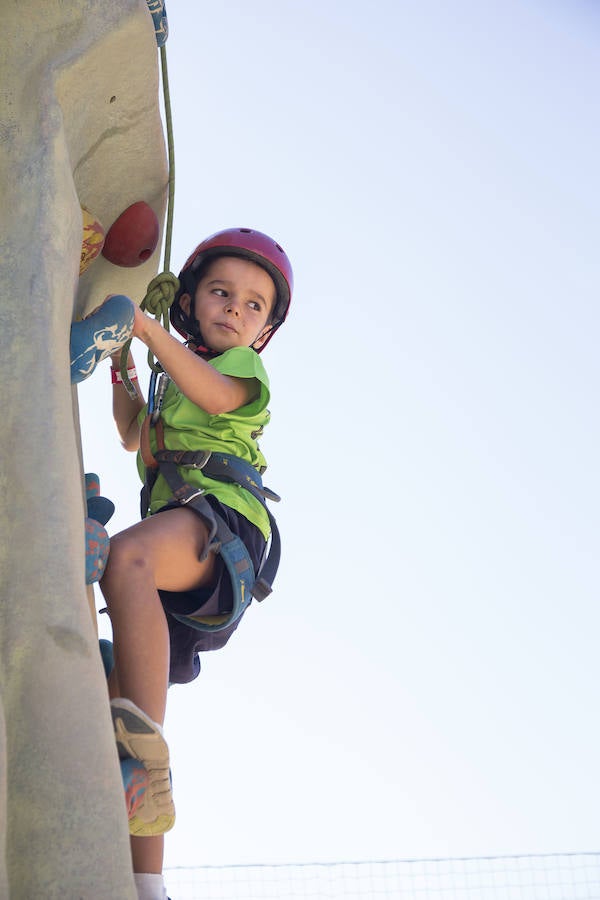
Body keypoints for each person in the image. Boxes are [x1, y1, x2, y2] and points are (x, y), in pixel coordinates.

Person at [99, 227, 293, 900]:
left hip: (224, 524)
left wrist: (148, 331)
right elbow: (133, 433)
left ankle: (146, 754)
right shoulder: (169, 382)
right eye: (220, 292)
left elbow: (213, 396)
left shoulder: (241, 371)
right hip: (180, 547)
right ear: (191, 302)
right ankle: (146, 883)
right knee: (116, 712)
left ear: (263, 331)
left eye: (253, 304)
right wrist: (124, 363)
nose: (235, 308)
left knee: (125, 557)